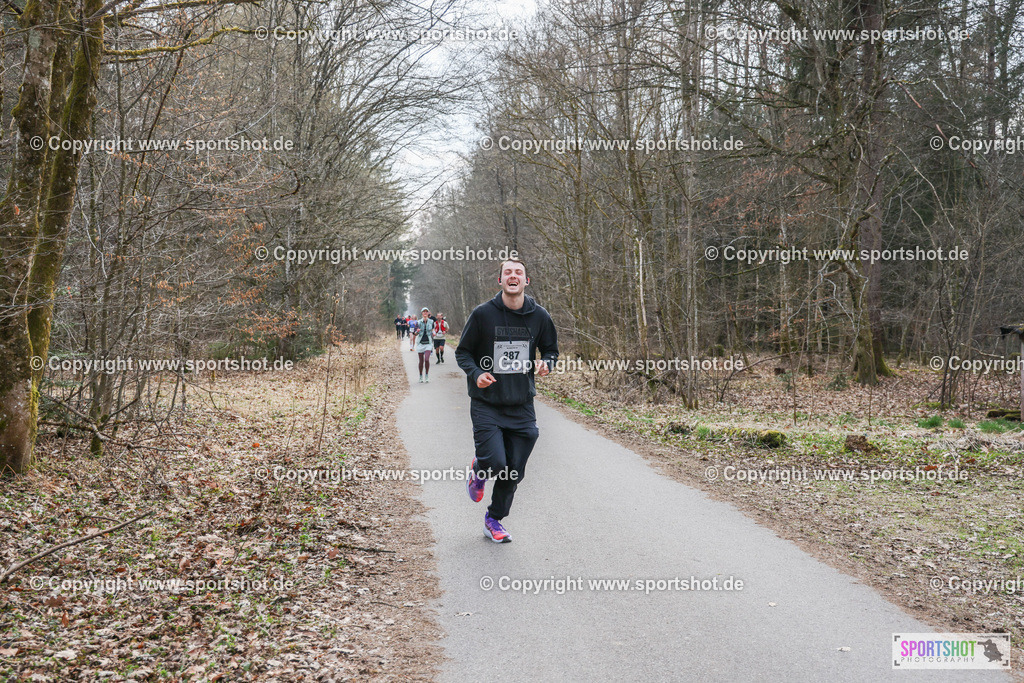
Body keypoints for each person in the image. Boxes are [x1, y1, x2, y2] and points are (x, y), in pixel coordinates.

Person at [455, 258, 558, 543]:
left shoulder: (540, 316)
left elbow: (551, 350)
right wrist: (476, 374)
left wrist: (547, 363)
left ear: (527, 281)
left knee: (513, 472)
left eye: (519, 272)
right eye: (507, 272)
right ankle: (480, 468)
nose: (513, 276)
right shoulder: (482, 314)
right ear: (500, 281)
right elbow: (463, 352)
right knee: (496, 463)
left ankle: (494, 520)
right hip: (486, 402)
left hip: (522, 405)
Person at [414, 307, 435, 382]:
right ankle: (420, 376)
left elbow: (433, 330)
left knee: (426, 359)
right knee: (421, 361)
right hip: (420, 343)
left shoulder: (431, 322)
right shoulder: (418, 322)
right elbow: (415, 333)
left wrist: (433, 333)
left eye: (426, 311)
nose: (425, 313)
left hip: (428, 343)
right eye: (424, 312)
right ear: (422, 313)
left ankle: (426, 375)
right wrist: (417, 331)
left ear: (428, 313)